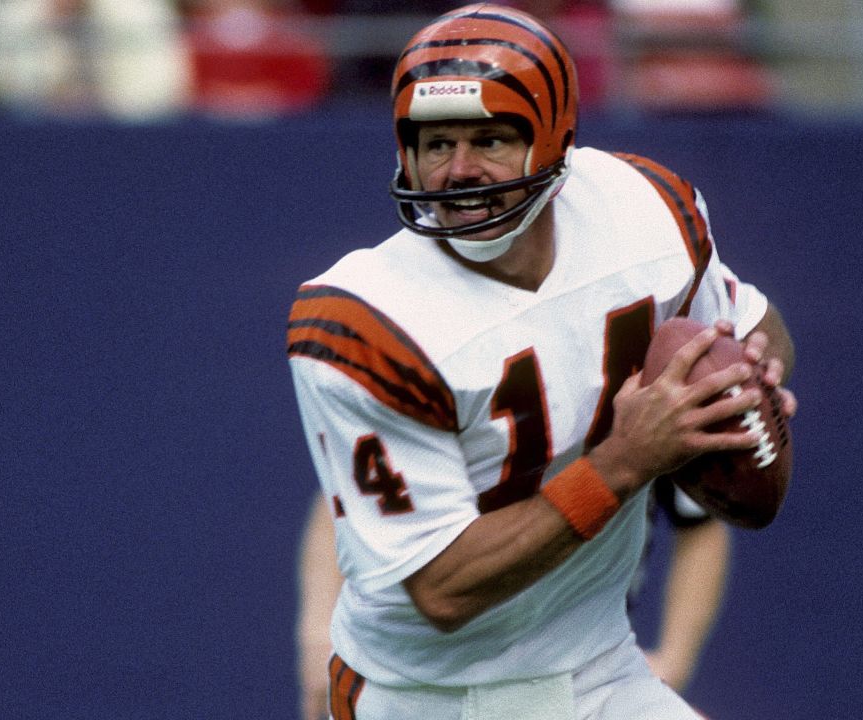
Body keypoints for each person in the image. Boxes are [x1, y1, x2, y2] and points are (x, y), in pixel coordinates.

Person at [285, 4, 796, 718]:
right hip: (428, 697)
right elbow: (442, 588)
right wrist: (627, 460)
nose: (459, 171)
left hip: (599, 669)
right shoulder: (367, 319)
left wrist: (745, 372)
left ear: (554, 137)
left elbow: (757, 326)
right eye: (435, 145)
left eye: (490, 139)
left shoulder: (642, 209)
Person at [295, 483, 730, 720]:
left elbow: (700, 523)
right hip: (426, 679)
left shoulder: (640, 349)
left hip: (583, 666)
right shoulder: (440, 349)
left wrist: (676, 657)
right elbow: (349, 501)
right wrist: (318, 635)